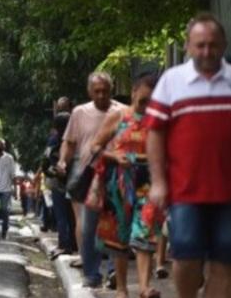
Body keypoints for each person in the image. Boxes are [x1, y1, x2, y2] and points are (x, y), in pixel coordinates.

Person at [144, 13, 231, 298]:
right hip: (185, 191)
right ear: (188, 46)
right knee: (185, 254)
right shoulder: (172, 81)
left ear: (224, 44)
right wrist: (158, 181)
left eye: (213, 45)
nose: (207, 51)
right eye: (200, 45)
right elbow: (154, 133)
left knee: (225, 260)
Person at [84, 72, 161, 298]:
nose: (147, 106)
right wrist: (115, 156)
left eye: (153, 102)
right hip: (119, 182)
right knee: (119, 235)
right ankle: (122, 288)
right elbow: (95, 146)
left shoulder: (161, 119)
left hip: (149, 182)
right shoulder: (118, 116)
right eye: (143, 101)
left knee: (145, 231)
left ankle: (145, 287)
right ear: (133, 92)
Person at [57, 72, 124, 287]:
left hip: (116, 173)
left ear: (111, 90)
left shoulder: (121, 112)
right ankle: (92, 273)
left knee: (116, 223)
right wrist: (62, 162)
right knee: (88, 227)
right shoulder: (79, 112)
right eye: (97, 91)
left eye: (105, 91)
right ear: (90, 92)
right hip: (88, 174)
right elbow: (69, 142)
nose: (102, 95)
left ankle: (114, 271)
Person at [48, 104, 77, 258]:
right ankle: (73, 243)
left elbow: (46, 162)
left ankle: (63, 244)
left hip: (59, 183)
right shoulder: (76, 139)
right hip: (75, 181)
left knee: (61, 215)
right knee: (73, 215)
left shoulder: (54, 140)